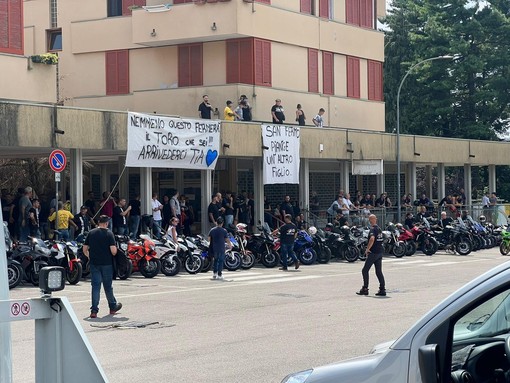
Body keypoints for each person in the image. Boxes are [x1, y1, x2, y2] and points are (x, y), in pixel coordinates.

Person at [82, 215, 122, 319]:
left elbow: (85, 249)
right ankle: (112, 307)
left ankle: (94, 310)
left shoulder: (91, 233)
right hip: (106, 264)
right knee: (108, 286)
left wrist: (89, 256)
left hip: (94, 263)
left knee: (95, 287)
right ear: (107, 223)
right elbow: (113, 251)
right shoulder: (109, 233)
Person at [356, 214, 386, 297]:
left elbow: (372, 239)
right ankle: (382, 289)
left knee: (365, 270)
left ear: (372, 220)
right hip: (379, 252)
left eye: (370, 219)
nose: (369, 221)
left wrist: (367, 249)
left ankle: (365, 288)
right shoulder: (379, 229)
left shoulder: (372, 229)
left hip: (373, 253)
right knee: (378, 271)